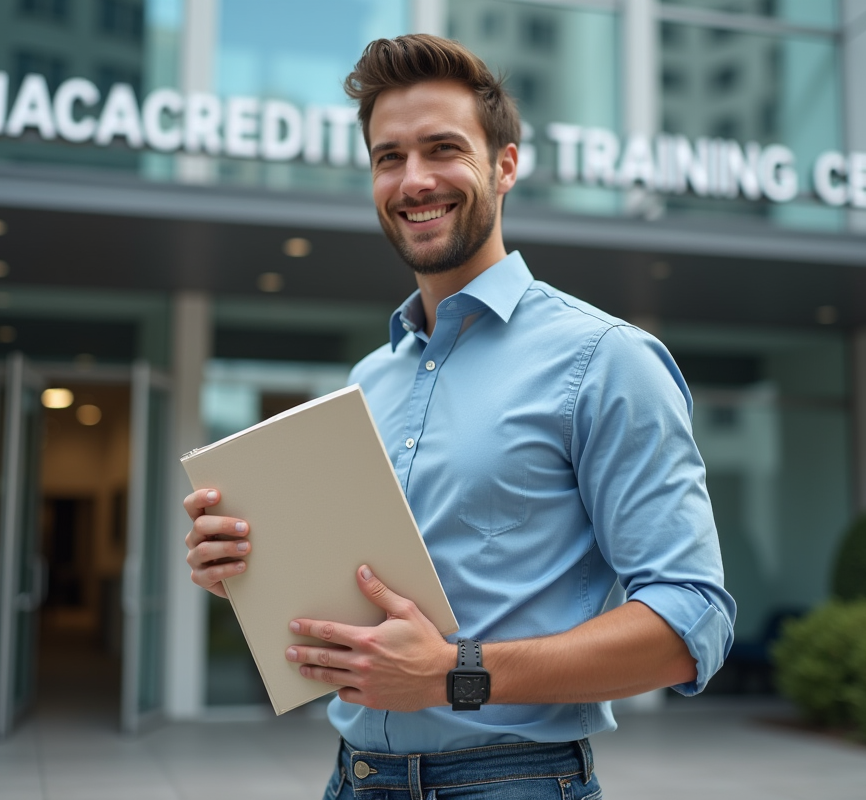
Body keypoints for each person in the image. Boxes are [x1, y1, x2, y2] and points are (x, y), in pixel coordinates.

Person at [185, 34, 736, 799]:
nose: (414, 180)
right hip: (355, 778)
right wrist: (249, 572)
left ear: (505, 165)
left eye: (442, 149)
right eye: (388, 157)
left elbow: (691, 623)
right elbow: (362, 599)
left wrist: (455, 675)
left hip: (515, 781)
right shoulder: (370, 379)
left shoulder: (607, 360)